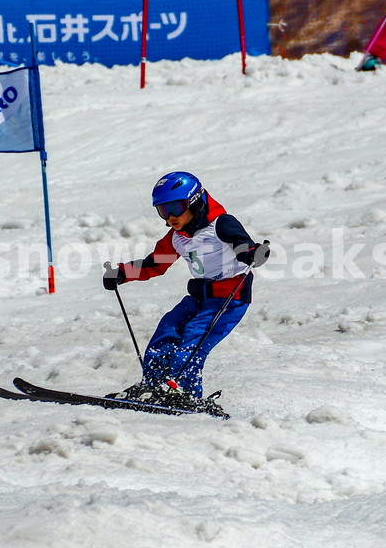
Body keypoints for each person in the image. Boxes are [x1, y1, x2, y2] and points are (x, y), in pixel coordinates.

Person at [102, 171, 269, 411]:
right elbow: (154, 265)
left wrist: (253, 254)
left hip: (229, 298)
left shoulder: (221, 224)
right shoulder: (177, 237)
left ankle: (186, 395)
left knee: (191, 340)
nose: (169, 217)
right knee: (166, 331)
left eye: (175, 208)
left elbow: (242, 245)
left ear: (194, 202)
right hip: (200, 296)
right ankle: (154, 387)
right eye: (162, 210)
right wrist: (121, 273)